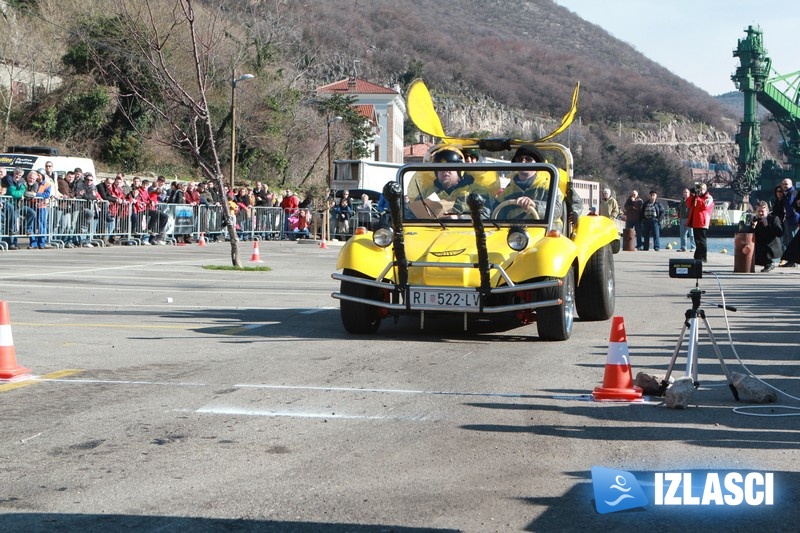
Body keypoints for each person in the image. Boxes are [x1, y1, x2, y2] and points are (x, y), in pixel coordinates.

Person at [413, 146, 493, 219]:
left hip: (466, 233)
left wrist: (459, 218)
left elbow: (486, 215)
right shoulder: (426, 192)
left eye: (450, 167)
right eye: (440, 168)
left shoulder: (476, 191)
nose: (445, 171)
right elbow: (411, 215)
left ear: (459, 171)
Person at [750, 201, 783, 272]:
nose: (760, 213)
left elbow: (779, 233)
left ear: (767, 211)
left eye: (762, 211)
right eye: (758, 211)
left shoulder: (774, 219)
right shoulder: (756, 220)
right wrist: (753, 227)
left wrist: (767, 226)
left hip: (771, 245)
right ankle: (766, 263)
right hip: (761, 244)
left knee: (759, 248)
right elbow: (750, 235)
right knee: (750, 250)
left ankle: (769, 263)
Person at [686, 182, 713, 263]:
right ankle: (698, 255)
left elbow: (705, 206)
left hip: (702, 221)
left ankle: (703, 256)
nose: (700, 191)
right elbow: (689, 204)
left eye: (701, 190)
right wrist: (692, 195)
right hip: (696, 221)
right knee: (697, 240)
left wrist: (697, 198)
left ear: (705, 190)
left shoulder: (708, 197)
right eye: (699, 190)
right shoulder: (697, 197)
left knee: (702, 240)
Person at [780, 178, 799, 249]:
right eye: (783, 184)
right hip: (790, 219)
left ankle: (793, 258)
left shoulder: (792, 193)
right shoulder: (788, 193)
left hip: (793, 220)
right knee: (788, 239)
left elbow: (790, 206)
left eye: (786, 184)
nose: (784, 186)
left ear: (791, 185)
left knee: (792, 239)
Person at [677, 188, 695, 252]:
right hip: (682, 219)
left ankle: (693, 247)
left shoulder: (691, 200)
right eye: (684, 192)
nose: (685, 193)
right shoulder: (682, 201)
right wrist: (679, 217)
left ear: (689, 193)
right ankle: (683, 247)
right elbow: (679, 209)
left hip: (689, 219)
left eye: (686, 192)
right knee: (682, 234)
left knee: (692, 234)